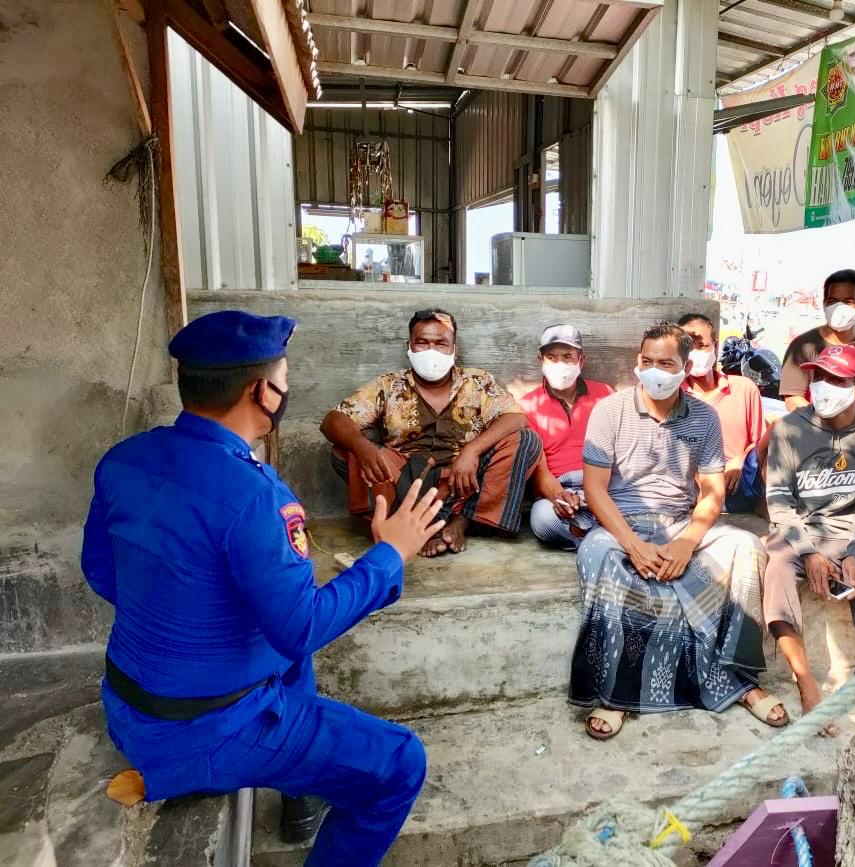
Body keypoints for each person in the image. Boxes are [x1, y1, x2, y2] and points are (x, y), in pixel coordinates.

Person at [81, 311, 445, 866]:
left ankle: (299, 789)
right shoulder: (257, 496)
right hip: (206, 733)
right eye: (284, 378)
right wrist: (390, 553)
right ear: (262, 392)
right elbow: (302, 625)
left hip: (128, 707)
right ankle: (290, 770)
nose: (287, 389)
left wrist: (190, 620)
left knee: (287, 658)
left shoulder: (125, 459)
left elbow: (101, 573)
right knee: (399, 763)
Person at [571, 322, 787, 740]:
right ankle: (618, 693)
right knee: (598, 554)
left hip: (680, 521)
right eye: (646, 362)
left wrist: (687, 542)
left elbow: (711, 490)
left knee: (745, 547)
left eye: (665, 363)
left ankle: (739, 680)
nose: (654, 370)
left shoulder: (704, 418)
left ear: (685, 367)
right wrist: (632, 545)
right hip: (621, 523)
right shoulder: (609, 411)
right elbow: (596, 490)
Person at [762, 344, 855, 734]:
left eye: (836, 379)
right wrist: (809, 552)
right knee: (777, 570)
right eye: (819, 377)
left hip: (851, 534)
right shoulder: (789, 430)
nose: (823, 386)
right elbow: (778, 501)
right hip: (797, 531)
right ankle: (805, 681)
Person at [321, 308, 542, 557]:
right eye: (422, 343)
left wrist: (472, 450)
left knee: (526, 441)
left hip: (463, 482)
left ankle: (461, 522)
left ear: (454, 350)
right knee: (343, 451)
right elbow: (333, 420)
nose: (431, 351)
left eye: (441, 343)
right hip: (405, 482)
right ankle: (414, 525)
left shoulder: (476, 382)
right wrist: (362, 447)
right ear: (409, 346)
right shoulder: (389, 385)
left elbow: (516, 418)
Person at [518, 325, 614, 549]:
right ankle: (604, 539)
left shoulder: (605, 394)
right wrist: (559, 495)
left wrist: (600, 492)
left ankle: (592, 537)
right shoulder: (527, 405)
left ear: (581, 360)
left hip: (604, 483)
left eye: (567, 357)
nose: (560, 364)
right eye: (551, 357)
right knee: (542, 518)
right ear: (541, 360)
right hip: (560, 488)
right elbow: (539, 468)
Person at [677, 313, 766, 513]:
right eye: (687, 348)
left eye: (701, 346)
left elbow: (760, 441)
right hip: (691, 490)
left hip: (737, 485)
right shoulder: (675, 395)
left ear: (715, 346)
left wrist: (740, 460)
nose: (694, 353)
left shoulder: (744, 388)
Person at [779, 269, 855, 420]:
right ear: (824, 303)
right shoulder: (803, 345)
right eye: (832, 301)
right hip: (812, 431)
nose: (839, 307)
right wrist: (821, 429)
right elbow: (793, 399)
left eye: (848, 301)